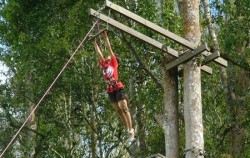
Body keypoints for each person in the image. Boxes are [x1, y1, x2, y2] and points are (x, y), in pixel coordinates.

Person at [92, 31, 134, 141]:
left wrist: (105, 37)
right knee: (119, 111)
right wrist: (94, 42)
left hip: (118, 87)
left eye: (109, 57)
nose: (107, 57)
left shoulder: (114, 63)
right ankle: (127, 130)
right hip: (110, 90)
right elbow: (99, 54)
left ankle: (131, 129)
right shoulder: (104, 65)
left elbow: (109, 48)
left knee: (124, 108)